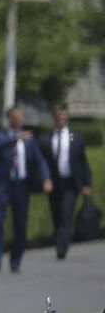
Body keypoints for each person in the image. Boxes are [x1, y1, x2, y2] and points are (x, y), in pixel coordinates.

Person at [0, 106, 52, 273]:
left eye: (22, 116)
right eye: (17, 116)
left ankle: (16, 260)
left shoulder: (29, 139)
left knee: (20, 223)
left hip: (21, 185)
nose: (20, 119)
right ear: (10, 119)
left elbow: (39, 160)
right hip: (2, 184)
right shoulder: (1, 135)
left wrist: (46, 178)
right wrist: (15, 138)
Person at [39, 103, 94, 259]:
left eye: (63, 115)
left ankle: (61, 246)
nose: (61, 119)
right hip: (54, 183)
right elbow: (41, 162)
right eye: (58, 116)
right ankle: (60, 240)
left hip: (71, 183)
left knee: (66, 213)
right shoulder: (46, 138)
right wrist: (44, 179)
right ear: (54, 118)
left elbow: (83, 162)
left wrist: (87, 184)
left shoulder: (75, 137)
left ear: (67, 117)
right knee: (56, 214)